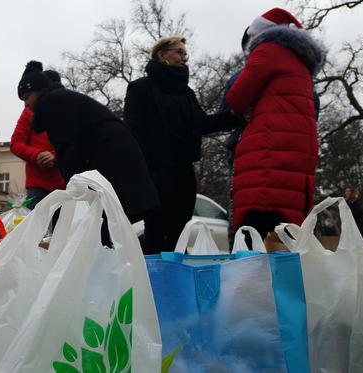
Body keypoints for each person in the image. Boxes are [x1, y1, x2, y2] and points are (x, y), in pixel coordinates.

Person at [123, 36, 240, 253]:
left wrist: (235, 116)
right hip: (154, 172)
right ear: (162, 54)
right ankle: (152, 283)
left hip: (183, 175)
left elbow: (203, 124)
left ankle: (177, 282)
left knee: (180, 234)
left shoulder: (187, 94)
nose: (184, 58)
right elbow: (133, 132)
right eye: (179, 52)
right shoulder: (140, 88)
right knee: (155, 232)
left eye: (185, 54)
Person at [17, 60, 159, 231]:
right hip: (118, 157)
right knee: (110, 221)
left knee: (104, 223)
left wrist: (74, 188)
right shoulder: (61, 99)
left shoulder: (51, 103)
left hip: (112, 161)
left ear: (39, 89)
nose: (25, 104)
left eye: (26, 97)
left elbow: (67, 147)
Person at [226, 8, 324, 241]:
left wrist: (248, 108)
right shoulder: (301, 63)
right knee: (287, 238)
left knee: (255, 238)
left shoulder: (269, 50)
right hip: (297, 156)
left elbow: (235, 97)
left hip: (268, 156)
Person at [10, 70, 65, 209]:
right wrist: (37, 155)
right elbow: (16, 143)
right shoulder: (29, 112)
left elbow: (74, 144)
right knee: (37, 228)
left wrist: (54, 156)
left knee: (64, 227)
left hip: (64, 184)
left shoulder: (66, 110)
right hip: (37, 185)